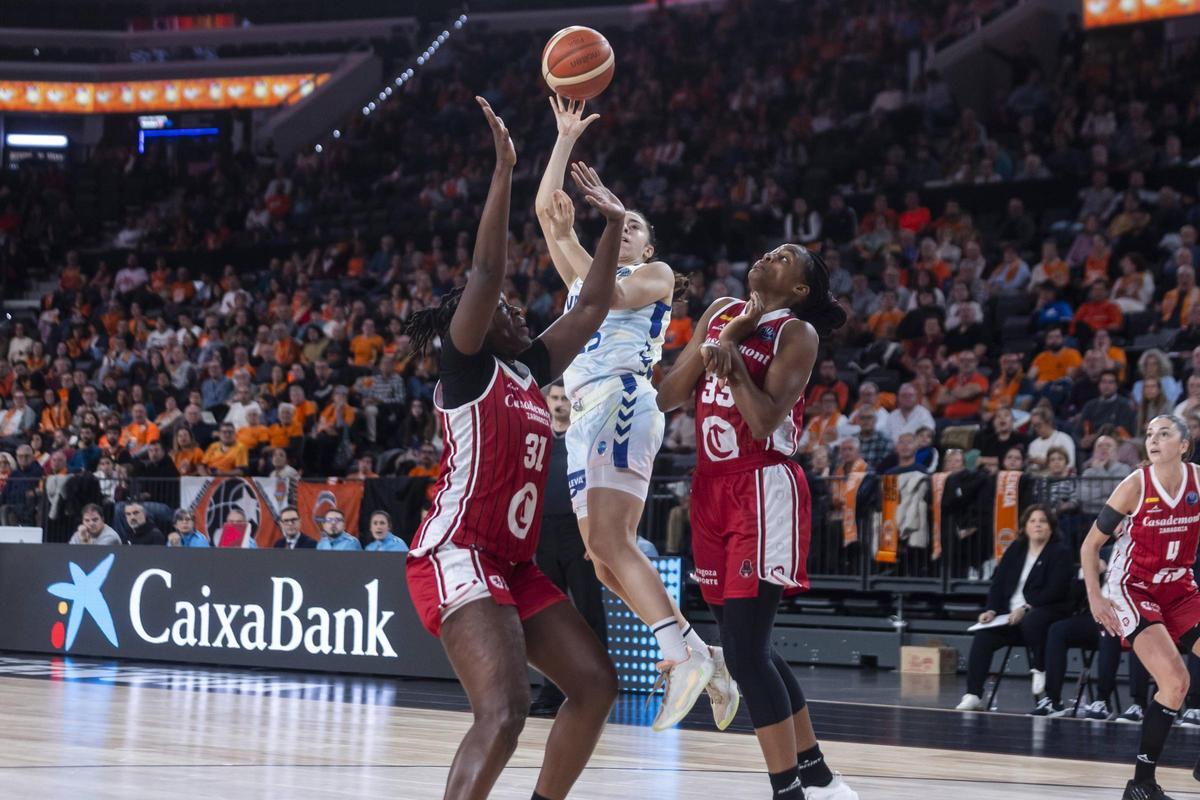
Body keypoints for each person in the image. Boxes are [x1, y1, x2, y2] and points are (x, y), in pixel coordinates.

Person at [403, 99, 618, 800]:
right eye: (505, 310)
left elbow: (589, 307)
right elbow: (486, 273)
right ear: (474, 323)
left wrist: (612, 226)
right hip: (458, 552)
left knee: (593, 685)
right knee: (502, 713)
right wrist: (503, 171)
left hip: (512, 562)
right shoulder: (465, 365)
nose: (517, 307)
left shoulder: (528, 369)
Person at [533, 95, 728, 729]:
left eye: (637, 224)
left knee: (614, 540)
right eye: (625, 222)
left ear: (645, 244)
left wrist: (614, 221)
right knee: (598, 555)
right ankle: (701, 653)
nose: (630, 226)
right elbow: (546, 213)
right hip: (584, 414)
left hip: (621, 399)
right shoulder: (581, 277)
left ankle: (677, 656)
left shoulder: (655, 275)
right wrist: (563, 139)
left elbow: (610, 295)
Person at [658, 243, 857, 800]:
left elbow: (767, 421)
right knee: (752, 646)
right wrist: (720, 339)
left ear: (798, 289)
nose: (770, 257)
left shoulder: (797, 334)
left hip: (761, 483)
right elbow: (670, 394)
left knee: (744, 654)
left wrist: (734, 357)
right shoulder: (720, 310)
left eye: (785, 258)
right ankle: (817, 773)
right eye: (770, 252)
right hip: (711, 486)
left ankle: (787, 788)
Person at [1083, 415, 1200, 800]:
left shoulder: (1198, 481)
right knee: (1175, 682)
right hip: (1132, 588)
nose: (1153, 439)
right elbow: (1090, 546)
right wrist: (1096, 597)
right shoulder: (1134, 486)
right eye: (1149, 433)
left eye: (1164, 433)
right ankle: (1141, 784)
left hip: (1179, 587)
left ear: (1184, 445)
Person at [530, 380, 608, 717]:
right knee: (549, 616)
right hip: (544, 533)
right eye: (555, 398)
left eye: (564, 398)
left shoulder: (583, 437)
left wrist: (596, 535)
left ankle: (600, 687)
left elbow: (600, 484)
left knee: (590, 612)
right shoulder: (538, 439)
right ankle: (551, 692)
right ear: (547, 402)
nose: (559, 403)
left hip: (580, 530)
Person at [956, 505, 1074, 711]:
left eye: (1043, 521)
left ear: (1051, 527)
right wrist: (991, 610)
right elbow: (998, 583)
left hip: (1042, 614)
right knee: (983, 636)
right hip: (1009, 618)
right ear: (1024, 527)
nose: (1037, 525)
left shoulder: (1060, 552)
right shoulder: (1016, 549)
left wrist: (1027, 607)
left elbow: (1056, 590)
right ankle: (973, 694)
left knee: (1033, 620)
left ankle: (1039, 668)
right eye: (1032, 521)